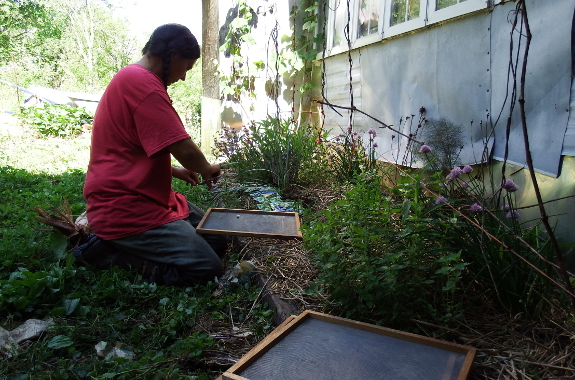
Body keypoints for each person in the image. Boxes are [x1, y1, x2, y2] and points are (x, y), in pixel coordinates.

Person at [75, 24, 226, 287]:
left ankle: (124, 243)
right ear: (174, 56)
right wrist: (207, 168)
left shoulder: (133, 79)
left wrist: (173, 171)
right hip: (124, 204)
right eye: (186, 68)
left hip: (146, 194)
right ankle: (109, 253)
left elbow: (130, 148)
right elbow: (185, 149)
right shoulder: (143, 85)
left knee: (217, 239)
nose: (183, 78)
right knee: (207, 268)